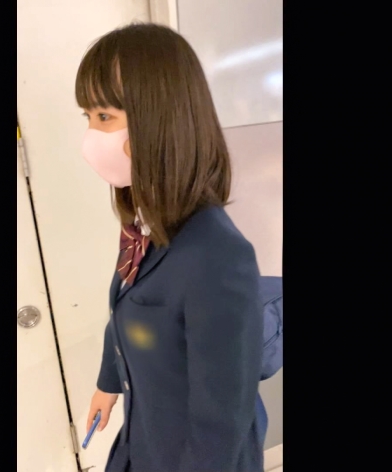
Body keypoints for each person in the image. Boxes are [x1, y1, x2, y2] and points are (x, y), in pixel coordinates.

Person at [77, 23, 265, 472]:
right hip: (144, 437)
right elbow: (126, 308)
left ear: (159, 121)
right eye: (88, 117)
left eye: (105, 117)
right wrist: (109, 383)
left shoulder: (218, 256)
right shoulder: (145, 224)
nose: (90, 136)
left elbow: (221, 423)